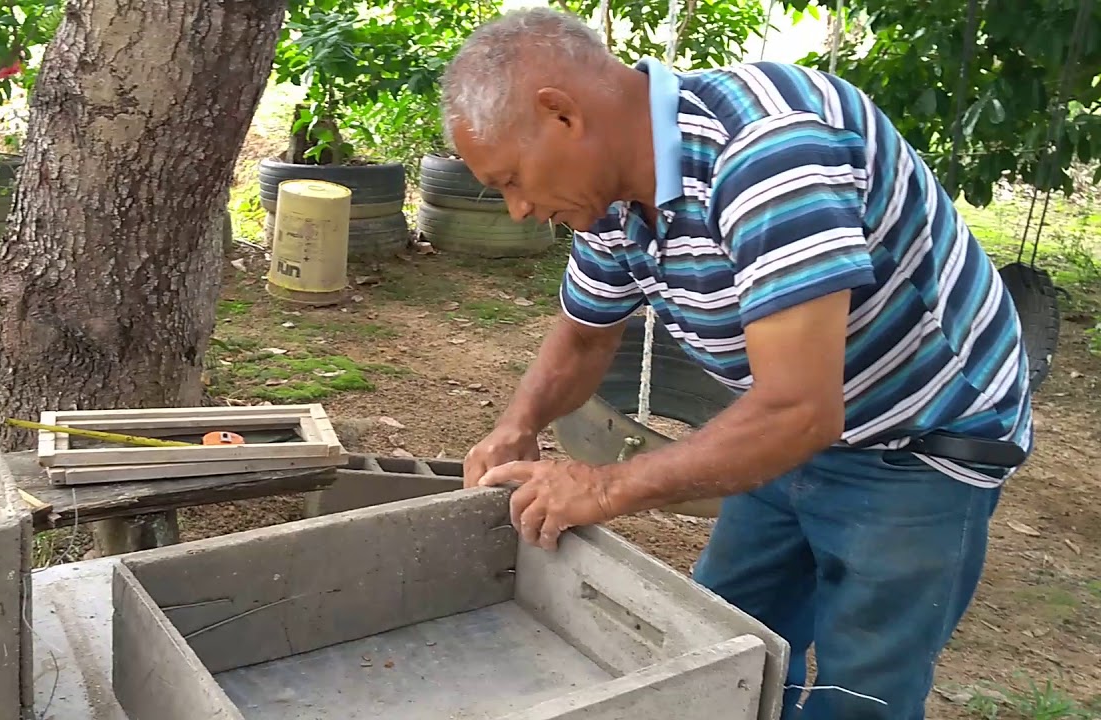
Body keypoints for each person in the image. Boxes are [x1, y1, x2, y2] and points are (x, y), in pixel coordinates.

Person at [442, 8, 1033, 720]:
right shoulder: (607, 198)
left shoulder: (769, 150)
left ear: (561, 115)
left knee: (860, 686)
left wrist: (601, 491)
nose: (516, 209)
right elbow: (586, 336)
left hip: (921, 439)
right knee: (725, 641)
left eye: (511, 179)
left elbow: (801, 410)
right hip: (785, 425)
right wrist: (517, 424)